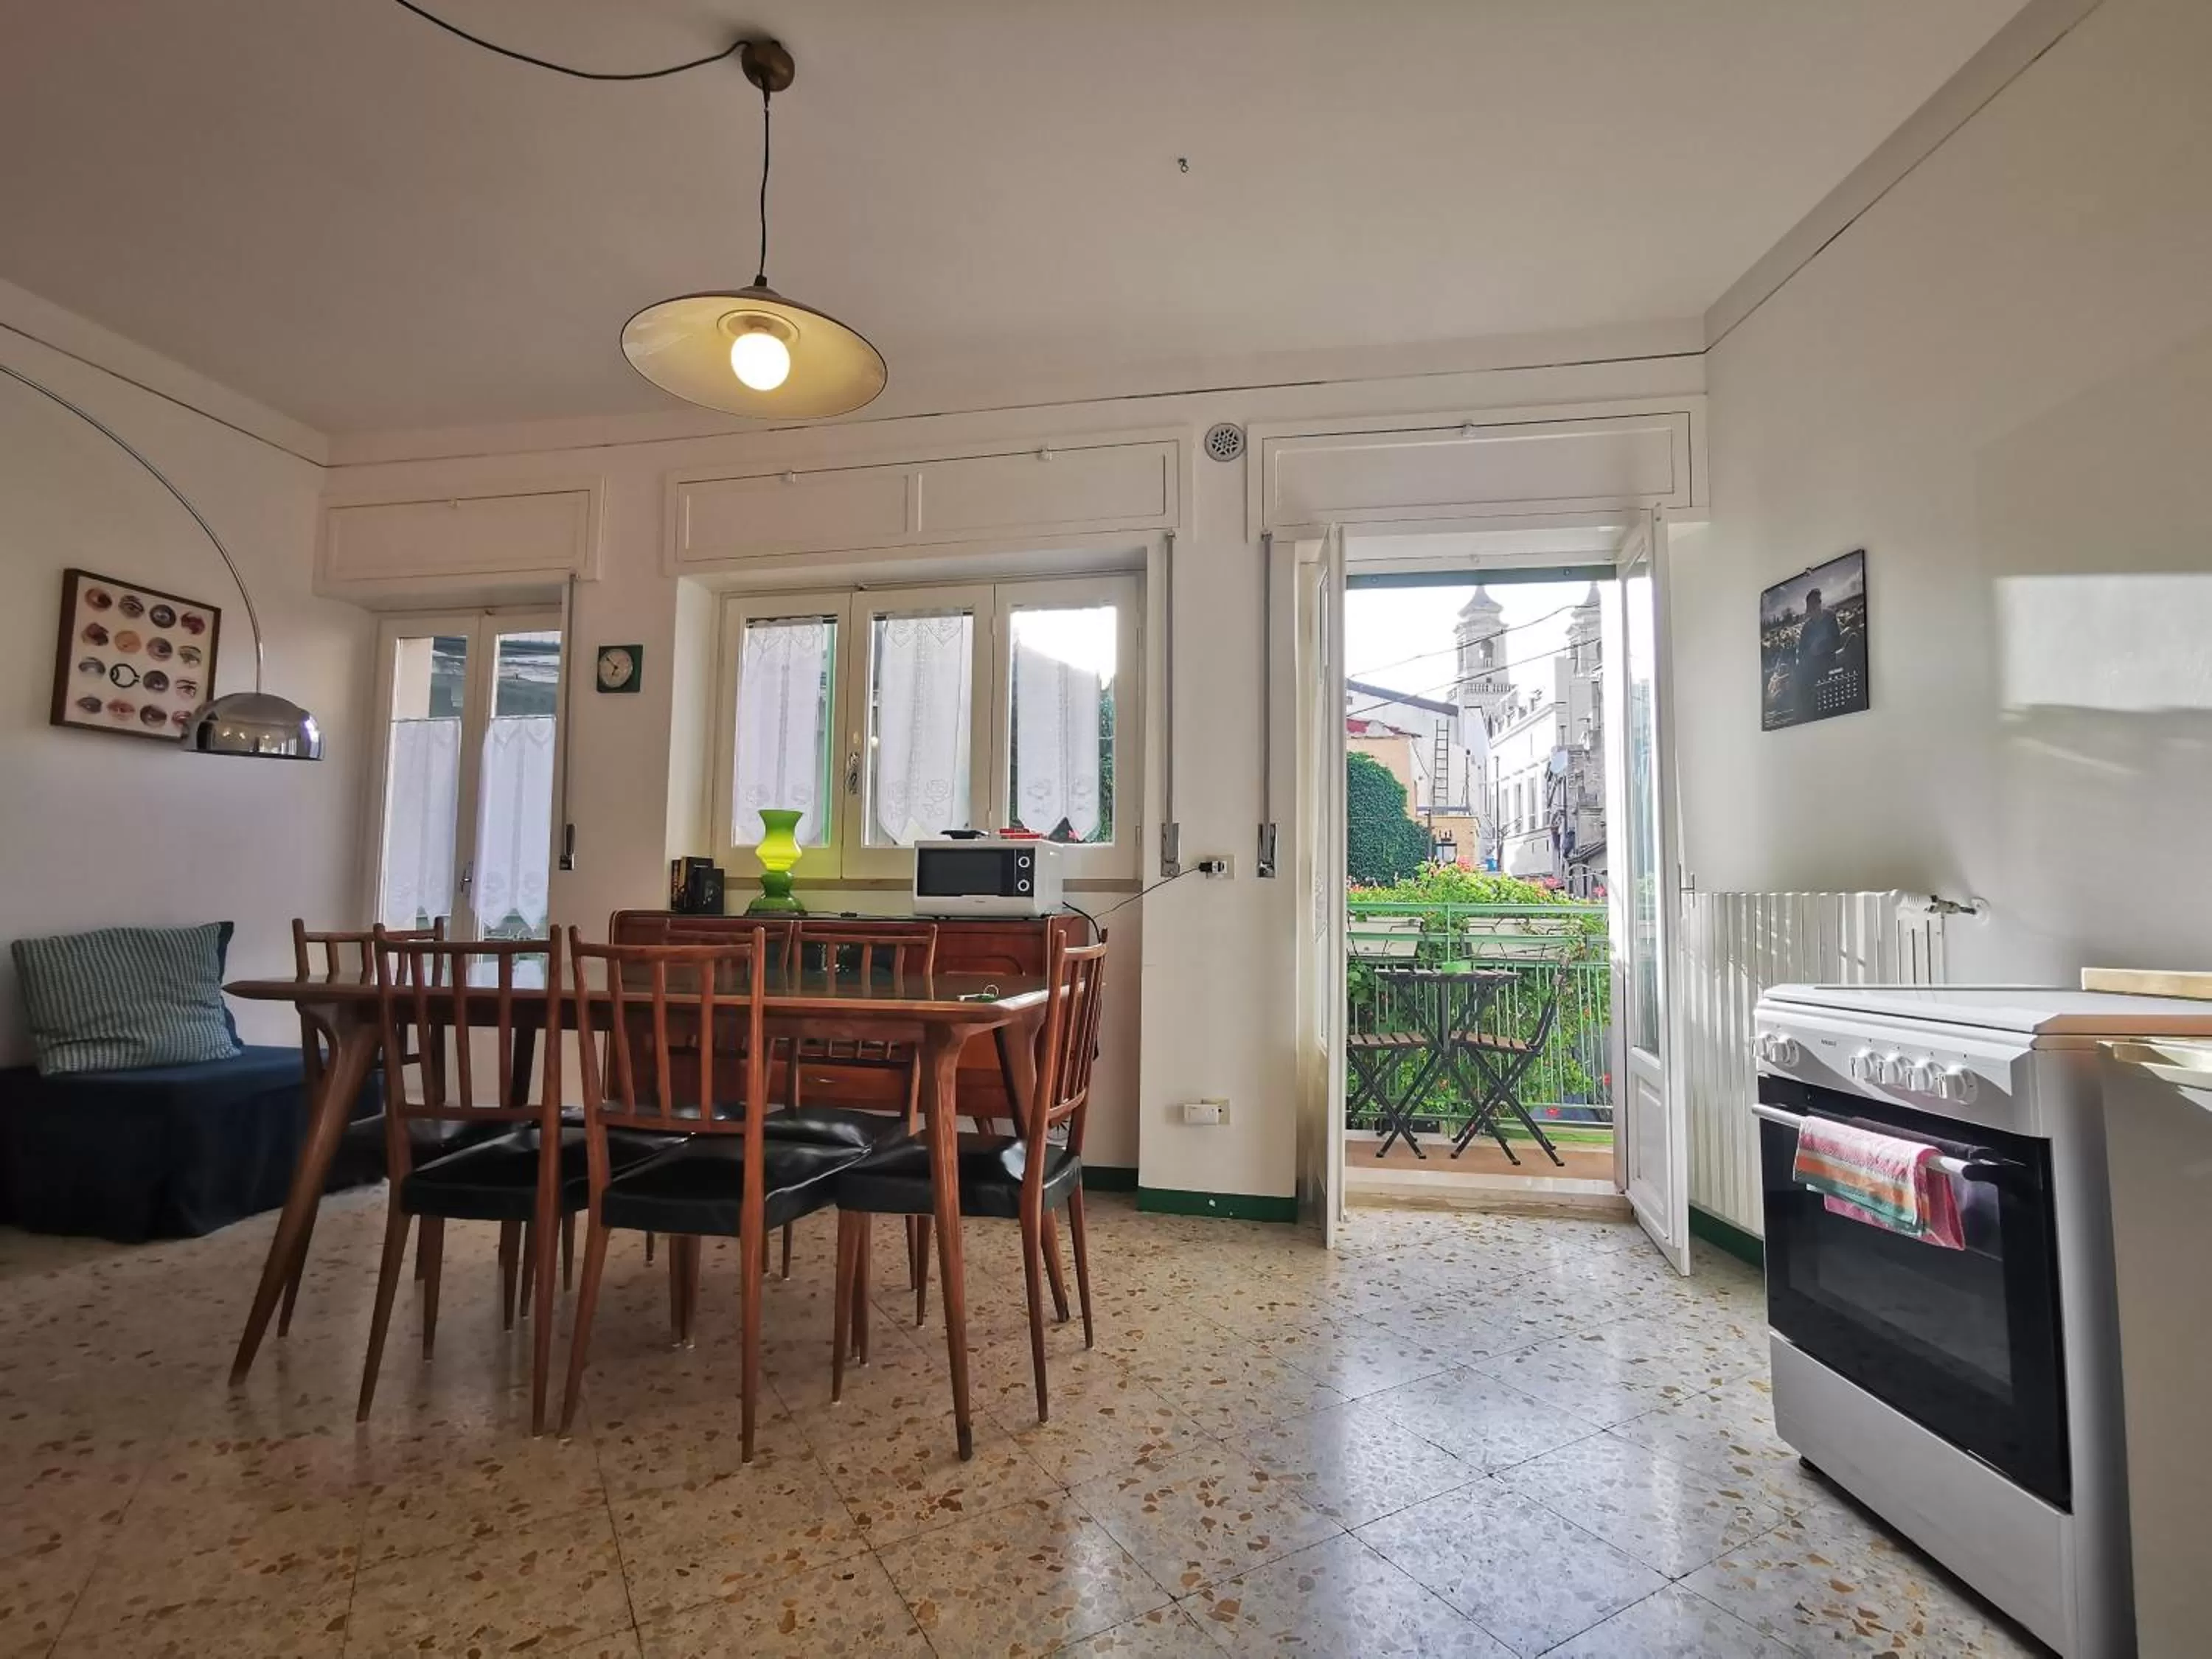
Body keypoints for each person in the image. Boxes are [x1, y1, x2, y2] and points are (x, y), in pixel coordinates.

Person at [1791, 587, 1843, 718]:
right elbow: (1801, 654)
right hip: (1812, 670)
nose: (1814, 609)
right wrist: (1811, 653)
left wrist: (1823, 648)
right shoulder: (1806, 628)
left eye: (1817, 604)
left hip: (1830, 665)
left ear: (1820, 603)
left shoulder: (1830, 616)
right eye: (1811, 607)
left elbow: (1838, 642)